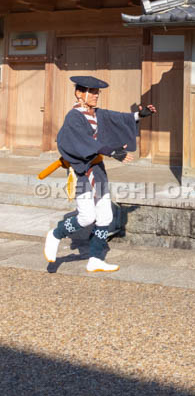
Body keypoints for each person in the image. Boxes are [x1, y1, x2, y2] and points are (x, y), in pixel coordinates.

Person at [43, 76, 156, 273]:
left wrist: (140, 115)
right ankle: (55, 234)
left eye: (97, 92)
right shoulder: (74, 117)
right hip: (82, 171)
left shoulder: (98, 114)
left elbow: (119, 118)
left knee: (105, 216)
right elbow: (79, 141)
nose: (96, 96)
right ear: (79, 93)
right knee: (87, 217)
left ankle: (95, 259)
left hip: (98, 171)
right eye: (92, 92)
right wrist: (110, 150)